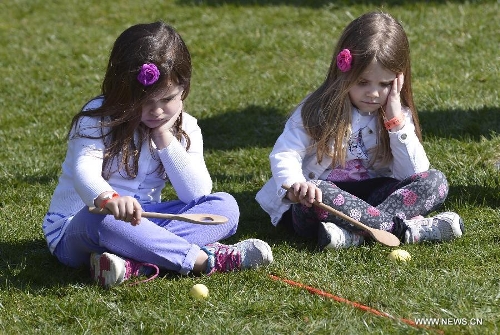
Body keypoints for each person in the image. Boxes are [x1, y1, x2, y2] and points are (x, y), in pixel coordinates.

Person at [42, 21, 273, 288]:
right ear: (122, 92)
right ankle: (203, 260)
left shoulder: (186, 126)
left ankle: (133, 263)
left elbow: (196, 193)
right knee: (102, 220)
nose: (157, 111)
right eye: (145, 102)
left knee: (225, 207)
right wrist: (110, 199)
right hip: (80, 226)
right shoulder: (99, 118)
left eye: (167, 99)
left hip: (145, 220)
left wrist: (164, 137)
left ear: (184, 88)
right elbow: (85, 173)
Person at [256, 12, 464, 249]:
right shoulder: (317, 109)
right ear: (343, 72)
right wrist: (295, 185)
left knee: (436, 181)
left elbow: (413, 174)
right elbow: (286, 153)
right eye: (363, 82)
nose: (373, 93)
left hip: (372, 199)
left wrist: (396, 123)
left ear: (399, 80)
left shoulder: (396, 115)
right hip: (321, 205)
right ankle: (403, 230)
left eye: (385, 84)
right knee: (320, 192)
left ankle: (352, 235)